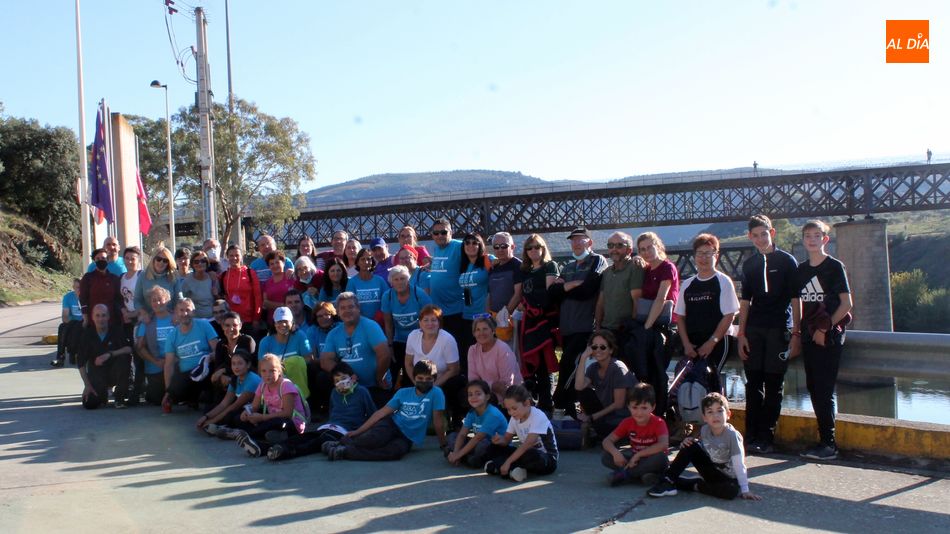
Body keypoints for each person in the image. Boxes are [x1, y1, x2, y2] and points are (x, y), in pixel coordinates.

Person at [738, 215, 801, 454]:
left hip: (779, 330)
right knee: (753, 384)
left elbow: (796, 299)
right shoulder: (749, 264)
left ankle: (766, 438)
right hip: (754, 330)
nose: (760, 239)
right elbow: (745, 302)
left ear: (772, 233)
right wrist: (741, 334)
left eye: (764, 234)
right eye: (755, 235)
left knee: (773, 385)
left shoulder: (787, 261)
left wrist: (796, 333)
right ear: (749, 237)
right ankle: (751, 436)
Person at [795, 220, 852, 461]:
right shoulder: (801, 270)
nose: (812, 240)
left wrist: (824, 328)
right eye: (808, 236)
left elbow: (846, 304)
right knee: (814, 388)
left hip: (829, 337)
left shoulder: (834, 267)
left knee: (824, 389)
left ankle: (829, 444)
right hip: (808, 335)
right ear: (803, 240)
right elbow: (797, 304)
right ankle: (823, 441)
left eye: (817, 235)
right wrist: (797, 333)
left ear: (825, 239)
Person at [321, 359, 447, 461]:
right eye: (420, 378)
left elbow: (438, 421)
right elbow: (381, 413)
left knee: (393, 453)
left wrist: (443, 444)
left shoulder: (436, 393)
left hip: (407, 437)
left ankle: (343, 451)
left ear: (434, 379)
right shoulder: (403, 393)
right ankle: (340, 443)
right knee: (372, 440)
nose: (424, 382)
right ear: (414, 378)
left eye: (428, 379)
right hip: (392, 424)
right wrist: (358, 431)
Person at [648, 393, 761, 501]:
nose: (715, 415)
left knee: (731, 491)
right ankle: (667, 480)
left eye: (719, 411)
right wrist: (688, 443)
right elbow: (703, 449)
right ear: (704, 418)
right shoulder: (705, 430)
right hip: (711, 470)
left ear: (728, 414)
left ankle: (693, 485)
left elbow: (739, 464)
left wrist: (745, 490)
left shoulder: (732, 435)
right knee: (690, 445)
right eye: (710, 412)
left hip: (728, 478)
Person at [266, 362, 376, 461]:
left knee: (317, 442)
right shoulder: (334, 392)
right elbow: (332, 412)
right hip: (329, 426)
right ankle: (273, 447)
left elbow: (372, 413)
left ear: (353, 378)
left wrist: (360, 431)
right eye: (337, 381)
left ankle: (287, 452)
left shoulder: (362, 392)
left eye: (343, 378)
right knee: (305, 437)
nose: (340, 383)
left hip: (344, 431)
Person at [550, 226, 607, 417]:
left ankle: (561, 403)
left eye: (580, 239)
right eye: (573, 240)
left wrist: (564, 288)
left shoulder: (597, 260)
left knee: (570, 367)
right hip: (567, 328)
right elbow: (552, 293)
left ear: (589, 242)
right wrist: (573, 284)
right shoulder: (568, 267)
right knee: (569, 366)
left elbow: (588, 290)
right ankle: (569, 408)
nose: (576, 243)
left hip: (585, 327)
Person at [674, 233, 740, 398]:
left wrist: (711, 342)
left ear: (716, 256)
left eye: (708, 253)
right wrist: (686, 344)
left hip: (717, 343)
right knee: (690, 386)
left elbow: (729, 315)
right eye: (700, 253)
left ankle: (717, 414)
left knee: (710, 384)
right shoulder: (687, 284)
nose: (703, 258)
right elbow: (680, 316)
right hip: (692, 344)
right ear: (694, 256)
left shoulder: (723, 281)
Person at [631, 231, 679, 416]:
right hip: (648, 323)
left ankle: (660, 414)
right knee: (645, 370)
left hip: (663, 325)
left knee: (658, 373)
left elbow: (661, 298)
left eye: (649, 247)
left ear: (658, 246)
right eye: (642, 249)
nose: (647, 252)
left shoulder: (667, 267)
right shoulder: (646, 269)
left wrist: (647, 326)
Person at [320, 292, 392, 408]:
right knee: (322, 377)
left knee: (377, 415)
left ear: (358, 308)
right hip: (348, 386)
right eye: (343, 308)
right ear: (337, 312)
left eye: (351, 307)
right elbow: (325, 361)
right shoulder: (334, 333)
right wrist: (345, 376)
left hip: (375, 385)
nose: (347, 311)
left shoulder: (371, 326)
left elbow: (384, 354)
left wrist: (379, 377)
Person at [235, 354, 309, 457]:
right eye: (264, 371)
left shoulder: (285, 385)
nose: (267, 375)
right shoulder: (262, 385)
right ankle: (270, 437)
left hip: (291, 423)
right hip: (271, 419)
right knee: (240, 418)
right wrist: (247, 412)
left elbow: (287, 413)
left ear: (279, 371)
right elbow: (255, 406)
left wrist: (262, 418)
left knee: (277, 422)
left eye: (272, 371)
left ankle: (251, 436)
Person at [517, 234, 560, 413]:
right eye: (530, 248)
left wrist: (528, 303)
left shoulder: (550, 266)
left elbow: (549, 294)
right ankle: (534, 402)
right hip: (529, 322)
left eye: (537, 247)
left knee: (544, 362)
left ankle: (547, 403)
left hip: (544, 321)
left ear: (543, 249)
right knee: (532, 363)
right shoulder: (525, 272)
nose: (533, 250)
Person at [405, 304, 465, 428]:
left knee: (455, 384)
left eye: (434, 320)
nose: (430, 324)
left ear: (439, 323)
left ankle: (454, 422)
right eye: (426, 320)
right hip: (419, 380)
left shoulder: (447, 339)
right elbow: (408, 363)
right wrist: (417, 383)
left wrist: (433, 386)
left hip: (443, 380)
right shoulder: (412, 336)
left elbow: (454, 369)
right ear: (420, 323)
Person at [485, 385, 559, 482]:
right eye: (508, 409)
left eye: (514, 408)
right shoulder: (514, 418)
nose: (511, 413)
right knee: (493, 448)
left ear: (527, 403)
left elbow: (527, 444)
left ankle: (502, 466)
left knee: (531, 455)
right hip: (524, 453)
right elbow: (506, 440)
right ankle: (513, 469)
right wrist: (499, 440)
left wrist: (508, 462)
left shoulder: (538, 416)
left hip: (546, 458)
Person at [601, 383, 669, 487]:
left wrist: (639, 455)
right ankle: (644, 475)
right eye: (635, 407)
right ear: (629, 407)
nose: (639, 412)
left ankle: (625, 474)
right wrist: (616, 453)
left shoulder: (659, 422)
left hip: (651, 459)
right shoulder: (627, 422)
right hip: (635, 460)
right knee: (606, 456)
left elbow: (663, 445)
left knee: (661, 458)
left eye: (644, 408)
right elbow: (607, 441)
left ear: (653, 407)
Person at [574, 330, 635, 440]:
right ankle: (595, 428)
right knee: (584, 392)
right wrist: (583, 357)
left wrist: (592, 417)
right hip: (606, 414)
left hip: (623, 417)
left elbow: (619, 404)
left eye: (602, 347)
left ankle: (596, 428)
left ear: (611, 350)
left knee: (603, 427)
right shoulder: (593, 368)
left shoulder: (618, 368)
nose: (598, 350)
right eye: (594, 347)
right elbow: (579, 387)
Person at [162, 299, 219, 411]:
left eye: (188, 310)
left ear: (193, 312)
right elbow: (168, 365)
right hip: (187, 374)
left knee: (211, 393)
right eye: (181, 310)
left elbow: (218, 350)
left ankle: (207, 397)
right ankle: (193, 398)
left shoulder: (204, 325)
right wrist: (168, 392)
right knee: (175, 395)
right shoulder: (172, 336)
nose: (185, 313)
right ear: (176, 313)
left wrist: (208, 358)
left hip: (206, 370)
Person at [381, 265, 432, 388]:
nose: (400, 282)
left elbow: (430, 320)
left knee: (415, 373)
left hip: (420, 339)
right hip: (399, 339)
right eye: (396, 279)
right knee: (396, 370)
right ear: (391, 282)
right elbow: (388, 324)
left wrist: (429, 343)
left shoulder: (419, 294)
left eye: (402, 278)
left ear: (408, 279)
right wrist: (390, 346)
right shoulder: (387, 296)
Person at [594, 232, 644, 352]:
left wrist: (631, 329)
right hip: (606, 331)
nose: (614, 249)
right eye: (610, 245)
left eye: (619, 245)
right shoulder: (606, 272)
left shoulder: (635, 268)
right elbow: (601, 302)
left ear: (629, 250)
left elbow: (637, 301)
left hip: (624, 331)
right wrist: (598, 328)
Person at [77, 304, 133, 409]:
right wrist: (87, 385)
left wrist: (109, 354)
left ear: (108, 316)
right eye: (97, 315)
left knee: (124, 358)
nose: (100, 319)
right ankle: (102, 395)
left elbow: (129, 349)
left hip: (115, 371)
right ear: (92, 317)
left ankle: (119, 398)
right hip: (97, 374)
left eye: (103, 315)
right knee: (90, 403)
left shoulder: (116, 330)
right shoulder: (87, 335)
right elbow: (80, 363)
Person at [198, 350, 261, 440]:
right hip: (242, 408)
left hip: (255, 410)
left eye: (240, 363)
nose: (236, 367)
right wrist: (206, 417)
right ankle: (221, 427)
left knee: (234, 416)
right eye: (233, 364)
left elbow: (235, 406)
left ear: (248, 365)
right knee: (209, 409)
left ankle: (229, 430)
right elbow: (224, 403)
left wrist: (212, 421)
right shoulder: (235, 378)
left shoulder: (252, 380)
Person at [445, 379, 508, 468]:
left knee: (483, 444)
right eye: (470, 394)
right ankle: (465, 457)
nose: (473, 397)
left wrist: (458, 455)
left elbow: (478, 437)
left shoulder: (493, 414)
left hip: (495, 446)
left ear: (487, 397)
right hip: (477, 443)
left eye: (478, 394)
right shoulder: (471, 412)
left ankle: (463, 457)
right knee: (452, 436)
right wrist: (456, 452)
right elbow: (462, 434)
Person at [427, 218, 467, 357]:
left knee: (460, 351)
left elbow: (479, 253)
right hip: (439, 312)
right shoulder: (436, 249)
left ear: (451, 232)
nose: (440, 236)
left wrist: (491, 260)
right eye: (436, 233)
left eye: (443, 232)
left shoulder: (459, 246)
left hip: (457, 311)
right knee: (445, 354)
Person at [134, 286, 176, 405]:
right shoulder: (147, 321)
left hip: (175, 364)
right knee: (156, 399)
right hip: (156, 366)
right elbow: (140, 347)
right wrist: (156, 361)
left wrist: (172, 361)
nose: (157, 303)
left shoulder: (176, 318)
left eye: (160, 299)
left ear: (167, 300)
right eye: (154, 300)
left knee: (177, 395)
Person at [467, 316, 522, 404]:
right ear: (474, 333)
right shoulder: (472, 350)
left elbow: (506, 385)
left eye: (485, 329)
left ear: (493, 331)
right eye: (478, 330)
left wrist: (484, 387)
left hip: (510, 397)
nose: (481, 333)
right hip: (484, 394)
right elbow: (473, 381)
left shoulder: (502, 349)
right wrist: (492, 385)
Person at [459, 232, 491, 365]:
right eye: (467, 243)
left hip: (483, 316)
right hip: (467, 316)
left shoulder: (487, 260)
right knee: (470, 354)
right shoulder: (463, 265)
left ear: (480, 246)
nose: (470, 245)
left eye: (474, 243)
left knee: (486, 354)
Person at [210, 311, 257, 403]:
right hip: (225, 384)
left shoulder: (247, 341)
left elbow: (250, 366)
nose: (231, 328)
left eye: (235, 325)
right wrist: (222, 376)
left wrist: (225, 371)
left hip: (245, 382)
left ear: (240, 326)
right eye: (227, 325)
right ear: (222, 327)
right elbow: (218, 367)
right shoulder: (221, 344)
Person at [486, 231, 522, 342]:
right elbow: (489, 294)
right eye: (496, 247)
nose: (500, 249)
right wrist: (488, 316)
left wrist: (505, 314)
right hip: (494, 319)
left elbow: (518, 293)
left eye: (504, 246)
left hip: (512, 320)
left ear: (512, 247)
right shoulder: (493, 268)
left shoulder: (518, 266)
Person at [220, 244, 263, 336]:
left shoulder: (250, 273)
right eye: (231, 255)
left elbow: (258, 297)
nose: (234, 258)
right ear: (227, 257)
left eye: (237, 255)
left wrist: (256, 319)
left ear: (241, 256)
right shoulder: (224, 276)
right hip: (231, 321)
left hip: (249, 320)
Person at [80, 248, 123, 328]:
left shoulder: (114, 279)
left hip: (112, 322)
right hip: (92, 322)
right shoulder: (88, 278)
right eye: (98, 259)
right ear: (94, 261)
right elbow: (83, 299)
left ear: (107, 260)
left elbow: (119, 299)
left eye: (103, 258)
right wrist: (85, 319)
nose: (101, 260)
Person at [133, 246, 178, 317]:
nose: (161, 262)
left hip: (169, 318)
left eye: (165, 261)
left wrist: (176, 315)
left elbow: (179, 299)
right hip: (148, 318)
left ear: (169, 263)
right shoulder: (143, 275)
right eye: (158, 259)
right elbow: (137, 300)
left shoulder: (174, 276)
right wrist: (143, 313)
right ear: (153, 259)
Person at [349, 248, 389, 324]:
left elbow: (387, 300)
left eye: (369, 259)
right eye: (362, 259)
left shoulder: (380, 280)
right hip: (360, 323)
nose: (366, 262)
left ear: (372, 262)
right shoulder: (352, 282)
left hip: (379, 323)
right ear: (357, 262)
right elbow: (350, 304)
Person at [52, 278, 83, 367]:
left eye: (81, 287)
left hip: (84, 322)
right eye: (77, 287)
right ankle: (60, 357)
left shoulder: (87, 296)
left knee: (77, 328)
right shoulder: (68, 297)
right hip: (72, 322)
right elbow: (65, 316)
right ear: (73, 287)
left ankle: (73, 353)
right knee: (62, 327)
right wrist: (72, 322)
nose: (79, 290)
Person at [180, 250, 219, 319]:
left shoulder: (212, 278)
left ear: (207, 263)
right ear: (192, 264)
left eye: (203, 261)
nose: (200, 263)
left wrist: (216, 295)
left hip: (213, 319)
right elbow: (181, 300)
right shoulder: (187, 281)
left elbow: (219, 299)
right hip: (195, 319)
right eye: (196, 262)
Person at [262, 251, 296, 329]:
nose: (275, 265)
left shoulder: (291, 277)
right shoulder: (267, 283)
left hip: (291, 320)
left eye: (277, 262)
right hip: (273, 322)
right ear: (268, 267)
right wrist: (285, 306)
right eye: (272, 264)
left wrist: (273, 305)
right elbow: (265, 303)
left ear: (283, 263)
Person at [119, 246, 143, 340]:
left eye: (133, 259)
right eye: (127, 258)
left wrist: (134, 314)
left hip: (140, 317)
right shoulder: (121, 277)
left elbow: (147, 298)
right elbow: (119, 298)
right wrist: (125, 313)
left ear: (138, 260)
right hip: (127, 319)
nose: (129, 261)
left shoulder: (141, 276)